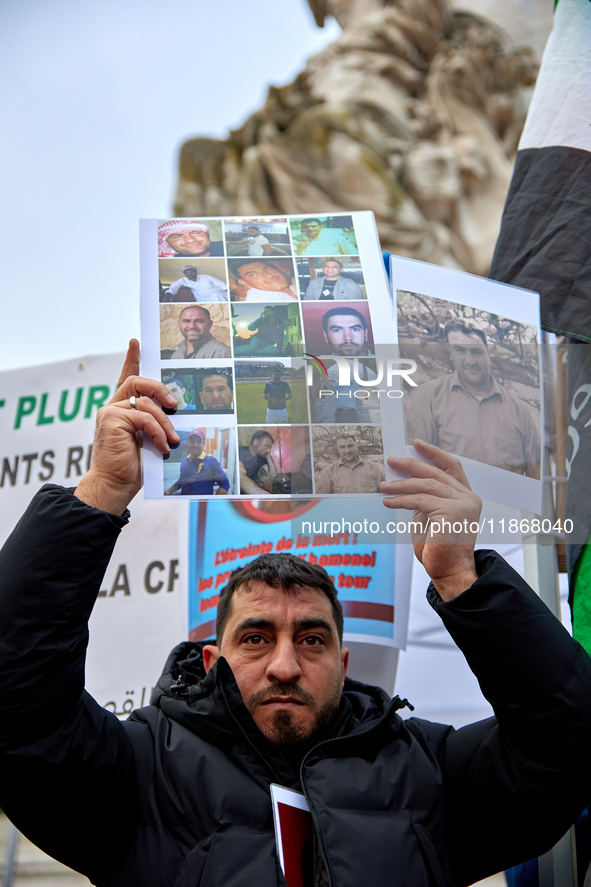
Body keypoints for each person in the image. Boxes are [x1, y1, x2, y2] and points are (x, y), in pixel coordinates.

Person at [2, 342, 591, 887]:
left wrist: (463, 577)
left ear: (343, 661)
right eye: (256, 638)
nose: (284, 665)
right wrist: (101, 490)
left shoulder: (427, 774)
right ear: (213, 660)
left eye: (311, 641)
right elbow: (17, 701)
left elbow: (567, 740)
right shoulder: (139, 774)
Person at [407, 320, 541, 478]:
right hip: (451, 500)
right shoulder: (428, 397)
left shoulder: (519, 410)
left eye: (477, 352)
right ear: (450, 354)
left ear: (488, 353)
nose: (470, 361)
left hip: (508, 501)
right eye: (460, 350)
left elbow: (536, 473)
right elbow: (416, 466)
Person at [164, 430, 230, 496]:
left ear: (203, 443)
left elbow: (225, 484)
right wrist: (169, 491)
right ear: (188, 442)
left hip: (202, 505)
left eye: (199, 442)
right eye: (192, 441)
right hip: (186, 503)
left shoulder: (212, 462)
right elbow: (181, 481)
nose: (195, 445)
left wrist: (212, 502)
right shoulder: (184, 462)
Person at [315, 433, 385, 494]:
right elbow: (321, 500)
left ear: (356, 446)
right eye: (342, 447)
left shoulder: (373, 468)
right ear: (338, 450)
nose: (347, 451)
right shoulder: (329, 471)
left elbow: (384, 495)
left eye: (350, 446)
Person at [229, 259, 297, 301]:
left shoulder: (296, 283)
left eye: (268, 269)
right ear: (244, 282)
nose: (269, 275)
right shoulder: (259, 300)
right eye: (252, 274)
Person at [238, 429, 277, 495]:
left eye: (270, 448)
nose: (269, 450)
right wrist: (269, 497)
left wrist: (267, 454)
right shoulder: (240, 451)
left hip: (251, 491)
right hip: (239, 492)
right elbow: (241, 477)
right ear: (256, 442)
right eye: (267, 446)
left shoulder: (261, 457)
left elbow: (272, 474)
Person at [162, 265, 228, 303]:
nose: (189, 274)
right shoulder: (182, 280)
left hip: (218, 295)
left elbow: (222, 285)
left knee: (216, 295)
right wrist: (166, 297)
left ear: (196, 272)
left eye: (191, 272)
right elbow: (173, 287)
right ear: (184, 274)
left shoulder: (206, 277)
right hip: (202, 299)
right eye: (187, 272)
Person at [159, 221, 224, 257]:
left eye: (196, 233)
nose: (190, 240)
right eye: (178, 236)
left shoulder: (227, 248)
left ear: (208, 236)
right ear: (167, 243)